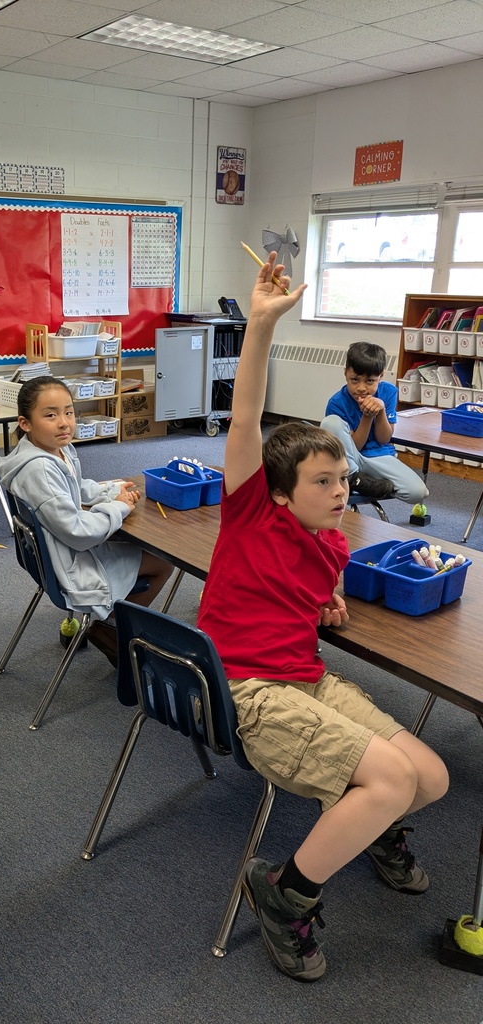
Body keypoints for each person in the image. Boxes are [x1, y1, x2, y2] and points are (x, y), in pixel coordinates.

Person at [196, 253, 448, 982]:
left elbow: (305, 594)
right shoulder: (248, 512)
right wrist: (264, 324)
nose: (341, 490)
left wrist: (324, 602)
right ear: (279, 492)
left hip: (303, 678)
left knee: (428, 777)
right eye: (323, 481)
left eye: (343, 479)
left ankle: (363, 824)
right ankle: (284, 894)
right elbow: (246, 413)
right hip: (250, 690)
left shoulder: (331, 542)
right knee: (392, 782)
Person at [0, 376, 173, 666]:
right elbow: (78, 532)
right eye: (50, 415)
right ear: (25, 423)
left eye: (69, 412)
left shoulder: (53, 451)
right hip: (69, 563)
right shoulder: (40, 469)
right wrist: (118, 509)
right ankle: (111, 628)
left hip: (52, 557)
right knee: (163, 562)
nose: (64, 422)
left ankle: (112, 624)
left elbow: (76, 487)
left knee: (130, 541)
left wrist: (112, 489)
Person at [321, 340, 429, 504]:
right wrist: (367, 416)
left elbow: (384, 439)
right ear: (345, 374)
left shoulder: (389, 392)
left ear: (381, 377)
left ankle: (367, 481)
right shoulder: (336, 403)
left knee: (417, 493)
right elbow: (355, 447)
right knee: (330, 423)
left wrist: (379, 412)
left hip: (379, 456)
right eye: (355, 380)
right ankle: (353, 478)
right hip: (349, 459)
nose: (361, 388)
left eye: (370, 381)